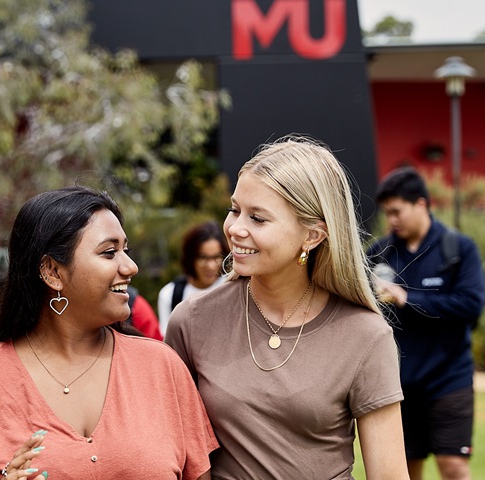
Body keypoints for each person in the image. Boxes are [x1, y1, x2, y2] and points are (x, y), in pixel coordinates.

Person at [0, 186, 216, 479]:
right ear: (52, 271)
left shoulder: (162, 368)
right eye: (109, 253)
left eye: (125, 250)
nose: (130, 267)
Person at [165, 136, 410, 479]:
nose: (235, 229)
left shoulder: (366, 336)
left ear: (313, 235)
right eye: (235, 210)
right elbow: (178, 455)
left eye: (258, 219)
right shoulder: (191, 321)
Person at [367, 167, 485, 480]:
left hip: (449, 379)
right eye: (387, 213)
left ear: (421, 204)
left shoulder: (458, 249)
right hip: (398, 383)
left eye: (397, 212)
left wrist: (407, 299)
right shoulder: (379, 253)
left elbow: (471, 304)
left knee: (454, 466)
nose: (391, 220)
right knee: (405, 470)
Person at [157, 221, 230, 336]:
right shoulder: (170, 294)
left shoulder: (232, 286)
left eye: (216, 257)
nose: (210, 266)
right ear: (191, 259)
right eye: (203, 258)